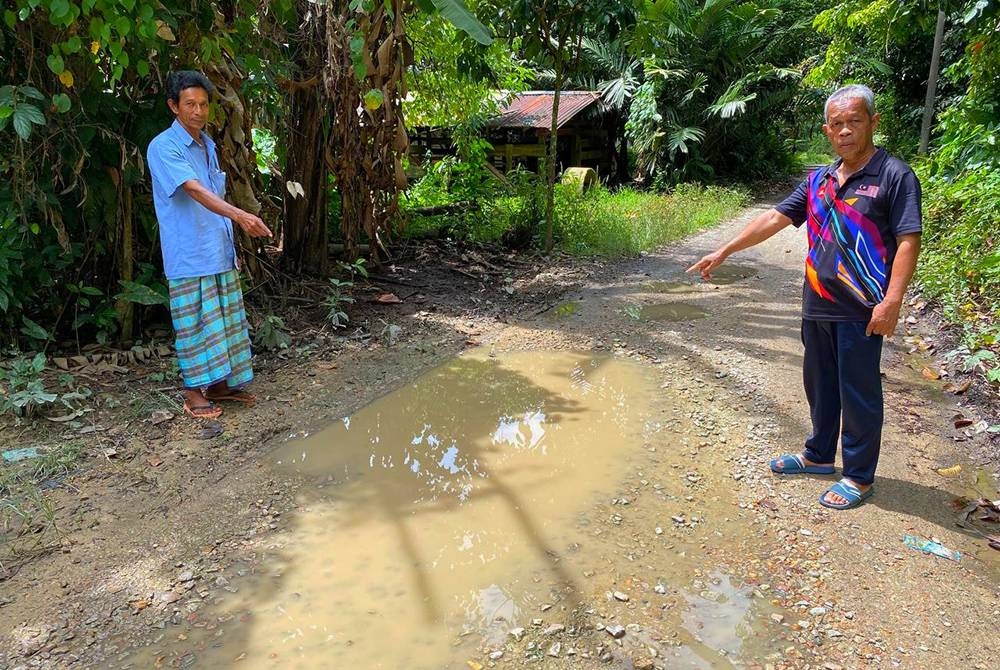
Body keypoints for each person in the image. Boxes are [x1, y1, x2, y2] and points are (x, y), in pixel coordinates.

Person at [687, 84, 922, 510]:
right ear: (826, 130)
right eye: (837, 124)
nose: (846, 131)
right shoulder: (820, 180)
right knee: (820, 384)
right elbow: (774, 217)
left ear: (873, 122)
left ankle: (858, 475)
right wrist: (724, 250)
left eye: (854, 121)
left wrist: (892, 301)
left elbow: (908, 239)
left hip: (863, 308)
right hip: (817, 302)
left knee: (859, 391)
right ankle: (817, 456)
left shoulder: (894, 176)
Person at [147, 71, 273, 419]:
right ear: (174, 106)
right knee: (195, 324)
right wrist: (241, 216)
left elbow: (211, 189)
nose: (198, 111)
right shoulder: (163, 147)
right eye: (190, 104)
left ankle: (219, 386)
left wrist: (231, 224)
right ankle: (192, 392)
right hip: (188, 253)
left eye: (203, 104)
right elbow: (194, 190)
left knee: (224, 321)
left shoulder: (208, 145)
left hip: (217, 248)